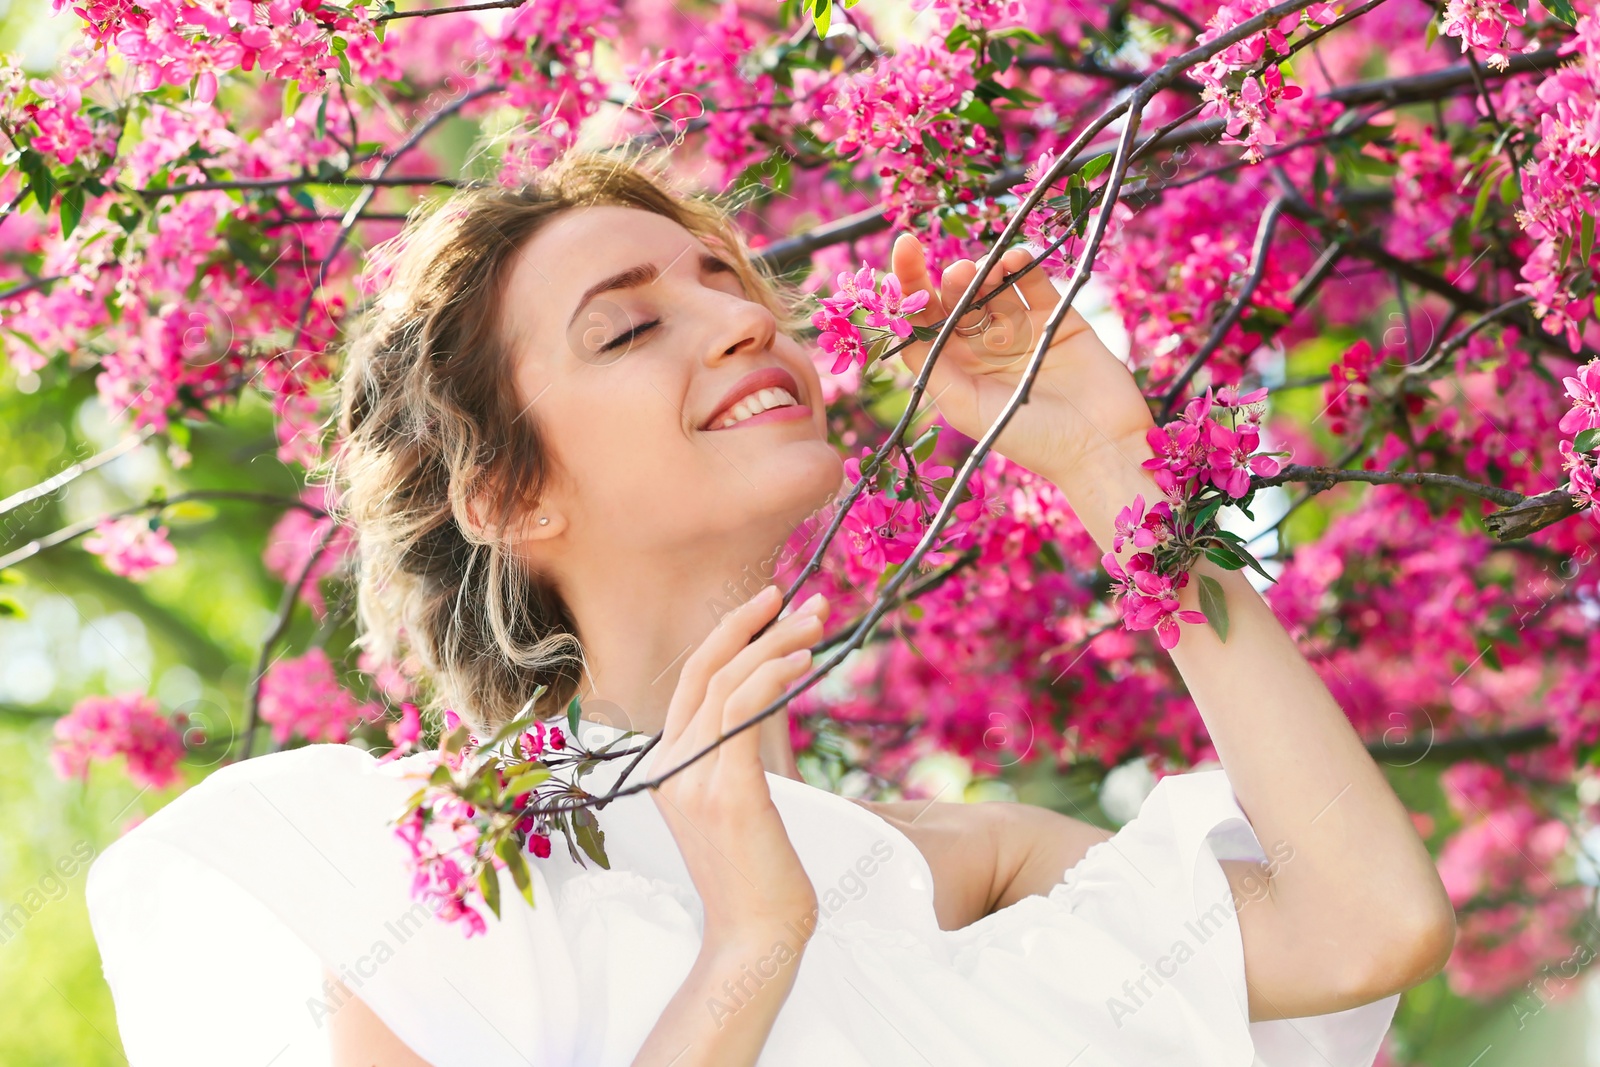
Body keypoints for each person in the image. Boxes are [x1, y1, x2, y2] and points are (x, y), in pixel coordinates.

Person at [85, 148, 1456, 1066]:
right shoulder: (417, 879)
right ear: (501, 493)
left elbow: (1361, 928)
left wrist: (1118, 472)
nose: (743, 323)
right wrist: (751, 941)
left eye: (727, 283)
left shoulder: (953, 862)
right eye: (627, 327)